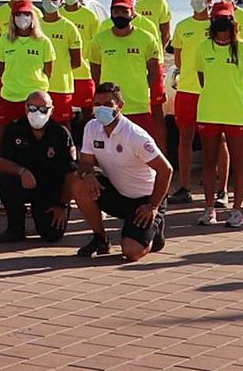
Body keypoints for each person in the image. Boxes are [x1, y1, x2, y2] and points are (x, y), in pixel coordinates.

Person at [73, 82, 172, 261]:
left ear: (120, 106)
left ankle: (154, 231)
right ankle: (100, 239)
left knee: (131, 252)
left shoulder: (135, 136)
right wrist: (88, 175)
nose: (101, 109)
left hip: (145, 199)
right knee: (79, 183)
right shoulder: (91, 127)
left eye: (108, 105)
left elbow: (166, 170)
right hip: (118, 192)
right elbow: (85, 163)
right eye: (97, 104)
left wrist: (153, 206)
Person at [192, 1, 243, 228]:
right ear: (212, 21)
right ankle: (209, 208)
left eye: (226, 19)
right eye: (218, 18)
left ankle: (237, 210)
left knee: (239, 164)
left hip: (236, 113)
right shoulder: (203, 47)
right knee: (209, 163)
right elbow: (203, 79)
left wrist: (235, 96)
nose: (222, 23)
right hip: (209, 112)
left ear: (233, 21)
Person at [0, 91, 75, 243]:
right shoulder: (14, 128)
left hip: (50, 190)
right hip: (24, 184)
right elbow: (0, 163)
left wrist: (62, 205)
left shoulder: (61, 134)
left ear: (52, 110)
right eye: (33, 108)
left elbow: (71, 175)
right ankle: (15, 227)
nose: (37, 113)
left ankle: (42, 217)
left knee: (52, 234)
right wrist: (21, 171)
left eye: (43, 109)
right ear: (25, 108)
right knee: (3, 180)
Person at [166, 0, 213, 206]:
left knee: (216, 141)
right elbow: (178, 60)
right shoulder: (183, 26)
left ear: (210, 0)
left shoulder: (218, 24)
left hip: (212, 93)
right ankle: (184, 187)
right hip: (186, 91)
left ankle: (217, 189)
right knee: (185, 139)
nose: (197, 1)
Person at [86, 0, 159, 132]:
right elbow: (95, 72)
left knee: (140, 149)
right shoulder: (99, 39)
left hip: (139, 105)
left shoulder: (146, 38)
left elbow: (154, 73)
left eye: (124, 11)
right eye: (116, 11)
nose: (120, 15)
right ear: (111, 13)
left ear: (132, 12)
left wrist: (140, 87)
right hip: (109, 107)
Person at [0, 0, 55, 133]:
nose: (22, 18)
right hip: (9, 97)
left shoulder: (43, 42)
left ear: (33, 17)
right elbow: (1, 68)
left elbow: (48, 71)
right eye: (18, 14)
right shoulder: (4, 40)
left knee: (34, 135)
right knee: (3, 133)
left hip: (34, 100)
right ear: (12, 18)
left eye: (26, 14)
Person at [124, 0, 171, 152]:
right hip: (128, 65)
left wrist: (154, 60)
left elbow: (165, 35)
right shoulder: (120, 1)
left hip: (153, 63)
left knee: (156, 113)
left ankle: (161, 155)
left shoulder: (158, 1)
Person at [38, 0, 83, 129]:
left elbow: (76, 61)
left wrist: (60, 70)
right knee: (39, 123)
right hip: (39, 84)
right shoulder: (35, 24)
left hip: (61, 85)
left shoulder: (68, 27)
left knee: (63, 124)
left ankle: (67, 151)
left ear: (60, 0)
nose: (49, 2)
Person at [60, 0, 100, 124]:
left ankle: (88, 142)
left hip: (85, 73)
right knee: (63, 114)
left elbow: (97, 45)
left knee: (88, 113)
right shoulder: (58, 15)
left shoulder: (89, 16)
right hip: (62, 75)